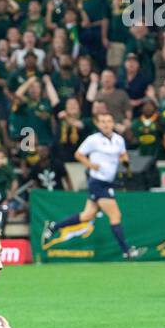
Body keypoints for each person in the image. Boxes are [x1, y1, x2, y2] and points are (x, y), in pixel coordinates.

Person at [42, 111, 143, 259]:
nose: (106, 124)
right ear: (98, 124)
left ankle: (54, 226)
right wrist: (90, 165)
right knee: (115, 216)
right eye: (103, 121)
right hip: (98, 183)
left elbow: (122, 154)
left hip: (108, 182)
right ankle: (127, 251)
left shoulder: (118, 140)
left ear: (113, 123)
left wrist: (125, 162)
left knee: (87, 215)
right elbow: (78, 154)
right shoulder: (93, 140)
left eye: (109, 121)